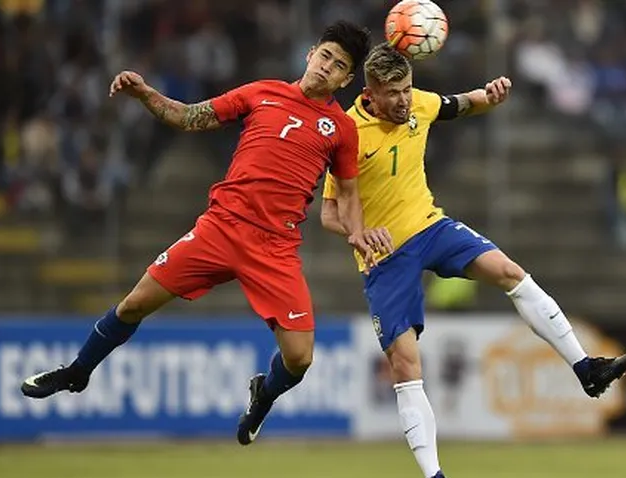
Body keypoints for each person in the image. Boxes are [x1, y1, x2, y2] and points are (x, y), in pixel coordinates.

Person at [20, 22, 392, 446]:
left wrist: (358, 232)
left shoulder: (341, 129)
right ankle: (77, 372)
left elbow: (347, 193)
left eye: (339, 66)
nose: (327, 67)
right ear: (310, 54)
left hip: (274, 247)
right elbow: (190, 117)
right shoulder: (261, 92)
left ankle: (262, 396)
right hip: (221, 227)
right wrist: (145, 94)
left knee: (300, 357)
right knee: (134, 304)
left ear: (345, 79)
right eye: (325, 56)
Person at [320, 43, 626, 478]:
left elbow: (462, 104)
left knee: (509, 271)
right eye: (394, 93)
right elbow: (329, 213)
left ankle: (587, 369)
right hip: (385, 256)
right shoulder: (348, 134)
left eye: (408, 89)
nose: (405, 100)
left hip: (430, 226)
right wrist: (357, 234)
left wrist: (493, 93)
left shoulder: (421, 105)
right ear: (370, 92)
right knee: (405, 364)